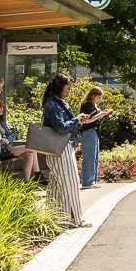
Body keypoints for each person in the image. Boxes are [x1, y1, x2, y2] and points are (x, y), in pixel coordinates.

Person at [42, 73, 109, 228]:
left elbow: (64, 125)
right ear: (60, 87)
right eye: (68, 87)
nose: (69, 91)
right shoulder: (54, 104)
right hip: (61, 148)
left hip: (60, 147)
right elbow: (61, 127)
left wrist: (79, 121)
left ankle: (57, 219)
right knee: (70, 184)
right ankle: (74, 219)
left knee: (56, 186)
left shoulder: (55, 102)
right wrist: (78, 119)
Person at [0, 98, 38, 181]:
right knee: (32, 147)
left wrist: (7, 139)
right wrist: (2, 140)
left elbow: (12, 136)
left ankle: (26, 182)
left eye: (2, 108)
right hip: (1, 151)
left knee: (29, 155)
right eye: (0, 108)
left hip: (9, 148)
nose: (2, 110)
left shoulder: (2, 123)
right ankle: (37, 173)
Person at [79, 87, 104, 189]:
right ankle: (87, 182)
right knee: (89, 157)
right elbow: (86, 120)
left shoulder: (94, 105)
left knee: (94, 157)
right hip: (88, 132)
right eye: (99, 97)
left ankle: (92, 180)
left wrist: (102, 114)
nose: (100, 99)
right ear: (93, 95)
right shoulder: (86, 105)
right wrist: (99, 115)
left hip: (94, 132)